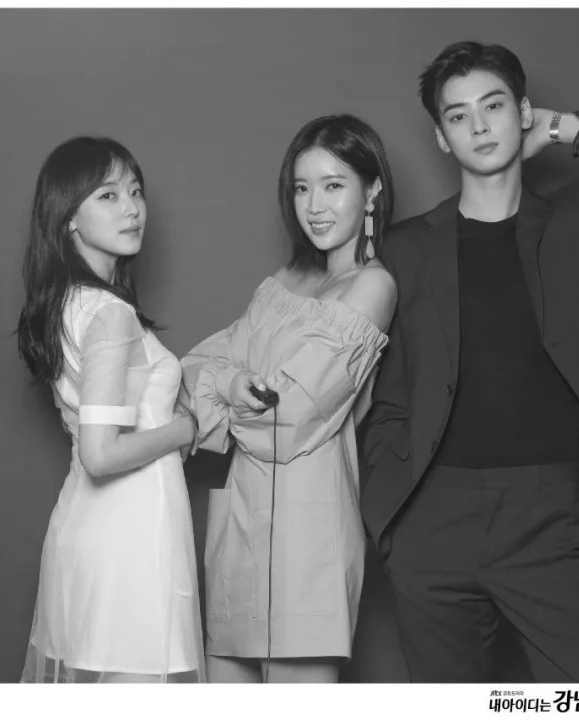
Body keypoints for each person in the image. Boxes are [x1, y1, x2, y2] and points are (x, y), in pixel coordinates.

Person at [362, 40, 579, 682]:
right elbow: (385, 388)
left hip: (549, 515)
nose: (478, 126)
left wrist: (560, 128)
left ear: (522, 112)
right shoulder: (405, 248)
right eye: (458, 115)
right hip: (431, 518)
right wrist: (392, 522)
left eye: (494, 106)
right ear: (441, 137)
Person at [181, 114, 397, 683]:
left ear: (372, 191)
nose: (314, 206)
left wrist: (226, 388)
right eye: (302, 188)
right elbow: (190, 370)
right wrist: (233, 385)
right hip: (239, 525)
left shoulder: (372, 287)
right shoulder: (284, 281)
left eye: (333, 185)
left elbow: (286, 421)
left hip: (308, 533)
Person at [17, 137, 204, 683]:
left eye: (135, 191)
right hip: (131, 536)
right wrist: (186, 429)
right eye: (108, 195)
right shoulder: (108, 312)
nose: (132, 208)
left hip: (93, 527)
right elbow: (101, 455)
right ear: (68, 217)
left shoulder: (69, 304)